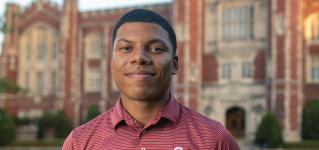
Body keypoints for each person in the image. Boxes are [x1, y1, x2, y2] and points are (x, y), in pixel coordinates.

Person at [62, 9, 240, 150]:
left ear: (175, 64)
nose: (139, 57)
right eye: (125, 48)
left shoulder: (214, 139)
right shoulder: (80, 142)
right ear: (111, 63)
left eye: (155, 49)